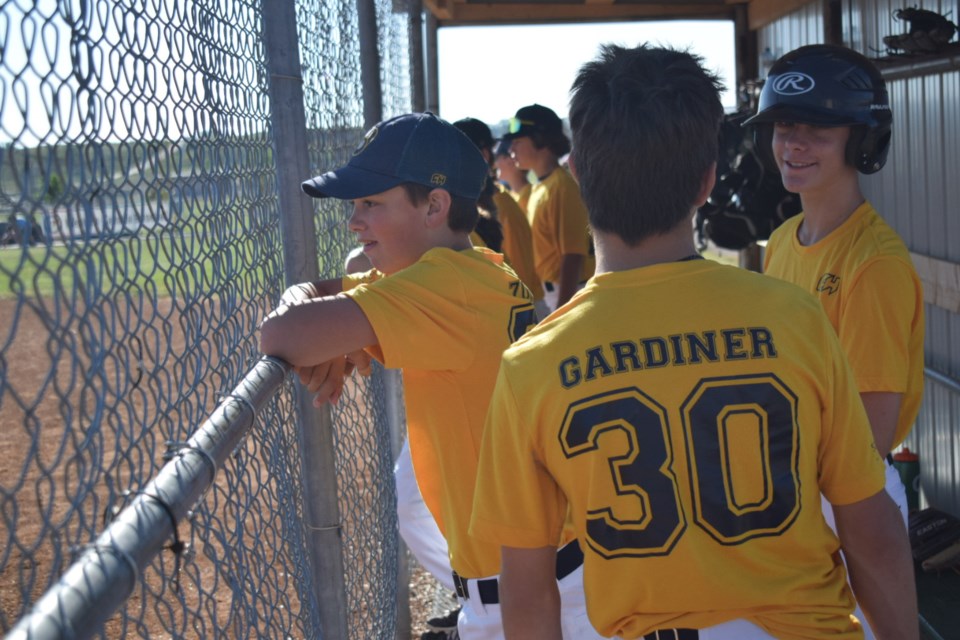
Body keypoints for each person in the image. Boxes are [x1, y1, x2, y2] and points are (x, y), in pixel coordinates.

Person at [469, 44, 918, 640]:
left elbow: (526, 591)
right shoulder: (795, 318)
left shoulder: (531, 363)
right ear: (707, 180)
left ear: (575, 176)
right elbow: (874, 533)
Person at [258, 112, 599, 640]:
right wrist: (314, 311)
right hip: (545, 574)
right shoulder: (476, 266)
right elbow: (322, 297)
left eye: (372, 203)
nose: (355, 220)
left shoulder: (440, 287)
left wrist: (311, 320)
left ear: (435, 207)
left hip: (529, 598)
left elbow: (282, 335)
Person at [743, 43, 925, 640]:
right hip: (794, 490)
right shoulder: (783, 242)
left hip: (850, 500)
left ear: (861, 140)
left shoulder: (873, 263)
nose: (793, 144)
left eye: (818, 129)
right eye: (784, 126)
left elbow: (869, 439)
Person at [502, 103, 594, 310]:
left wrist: (562, 311)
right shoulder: (540, 187)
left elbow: (572, 255)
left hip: (569, 294)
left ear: (540, 139)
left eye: (517, 140)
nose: (511, 149)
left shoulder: (563, 186)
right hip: (553, 293)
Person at [454, 117, 548, 319]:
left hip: (524, 311)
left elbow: (518, 280)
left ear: (484, 154)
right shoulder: (476, 202)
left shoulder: (501, 206)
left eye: (455, 152)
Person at [493, 138, 532, 212]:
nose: (494, 164)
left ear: (510, 159)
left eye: (497, 158)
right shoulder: (512, 196)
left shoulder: (529, 197)